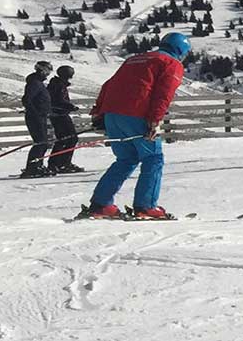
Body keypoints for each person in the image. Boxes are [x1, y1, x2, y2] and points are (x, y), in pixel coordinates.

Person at [84, 33, 188, 220]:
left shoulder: (135, 59)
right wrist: (154, 120)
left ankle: (101, 204)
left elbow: (109, 84)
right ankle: (146, 207)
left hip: (113, 115)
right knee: (153, 158)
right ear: (181, 50)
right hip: (137, 115)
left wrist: (99, 112)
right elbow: (163, 95)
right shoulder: (171, 63)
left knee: (126, 159)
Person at [19, 61, 54, 178]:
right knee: (40, 142)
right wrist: (36, 113)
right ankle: (32, 168)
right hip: (36, 117)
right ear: (42, 70)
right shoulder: (34, 83)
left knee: (43, 143)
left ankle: (37, 165)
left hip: (40, 116)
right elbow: (27, 99)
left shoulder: (38, 82)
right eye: (47, 71)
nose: (48, 74)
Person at [47, 65, 84, 173]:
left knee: (64, 139)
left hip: (57, 114)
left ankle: (56, 163)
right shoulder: (58, 85)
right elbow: (59, 100)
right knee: (70, 139)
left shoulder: (55, 84)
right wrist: (70, 106)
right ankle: (62, 164)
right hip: (60, 115)